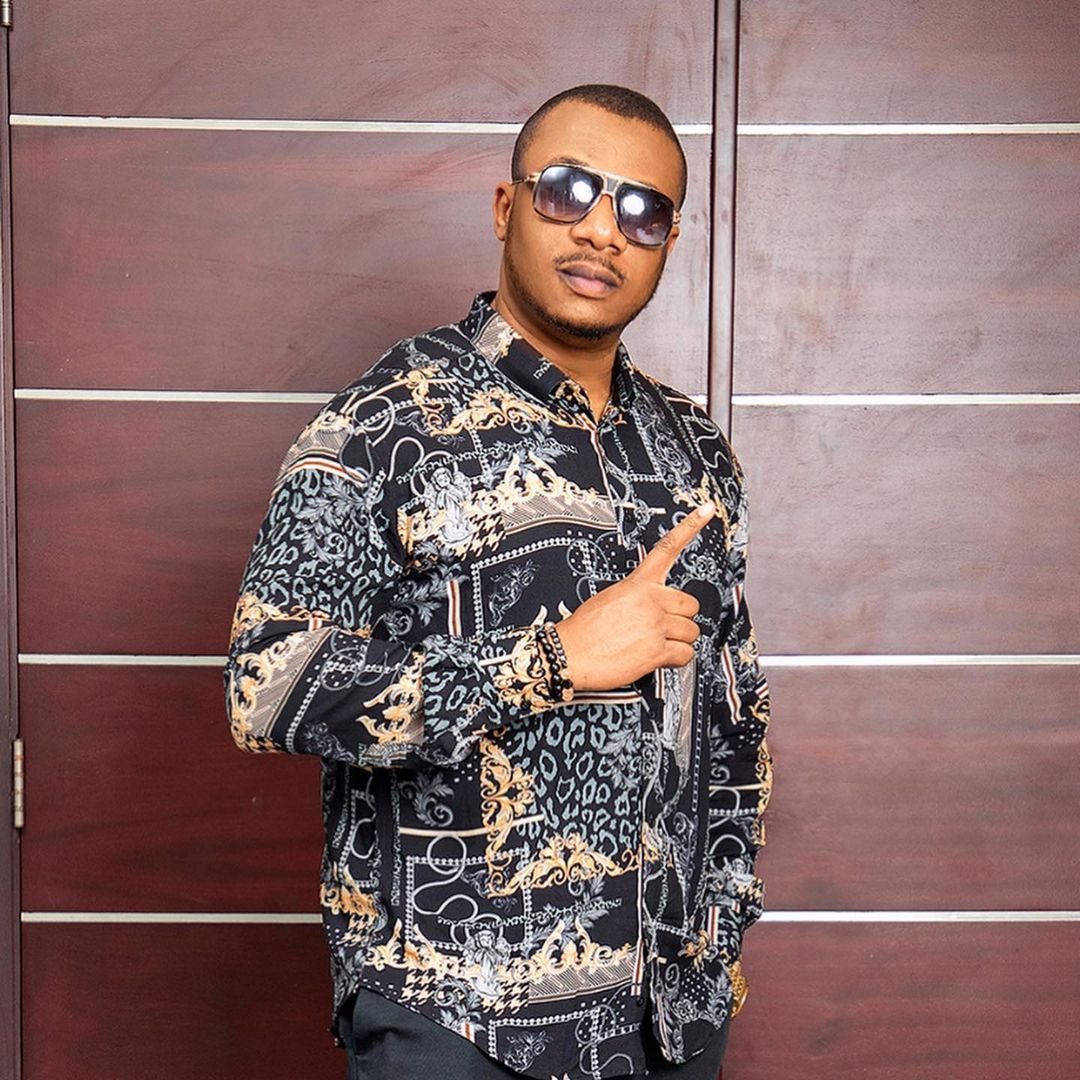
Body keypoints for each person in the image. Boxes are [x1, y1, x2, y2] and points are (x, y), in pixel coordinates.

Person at [223, 83, 773, 1080]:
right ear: (506, 206)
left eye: (642, 210)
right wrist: (550, 660)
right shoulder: (383, 424)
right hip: (459, 1019)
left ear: (668, 241)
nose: (602, 230)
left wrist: (720, 929)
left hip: (668, 1021)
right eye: (569, 190)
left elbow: (734, 716)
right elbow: (266, 686)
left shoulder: (694, 448)